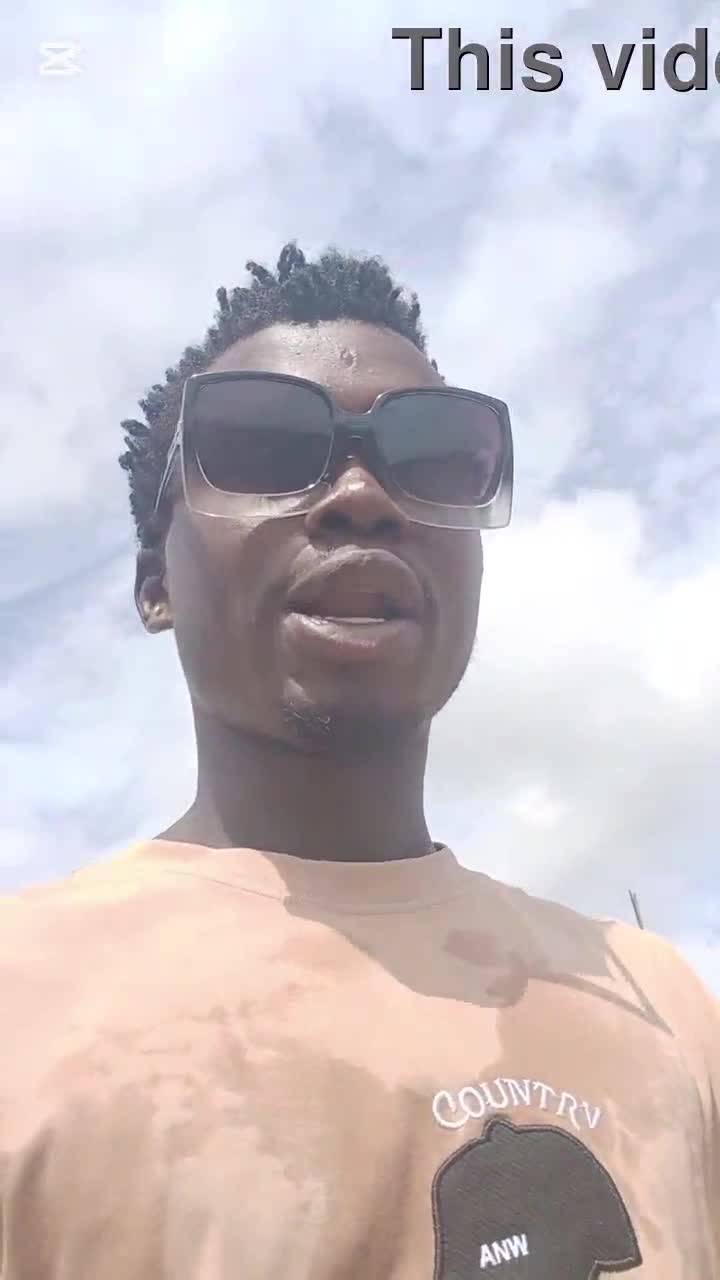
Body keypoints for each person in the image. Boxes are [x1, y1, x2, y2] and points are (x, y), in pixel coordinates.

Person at [0, 244, 717, 1280]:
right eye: (261, 446)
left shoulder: (666, 1008)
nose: (362, 496)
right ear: (156, 581)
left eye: (432, 457)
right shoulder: (22, 998)